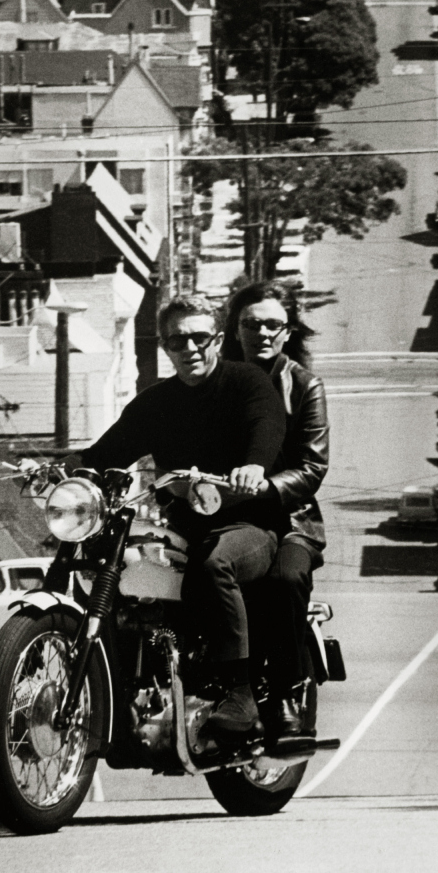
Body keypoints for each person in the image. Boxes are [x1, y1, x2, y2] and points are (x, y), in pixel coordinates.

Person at [63, 295, 287, 735]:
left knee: (214, 561)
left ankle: (239, 694)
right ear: (166, 347)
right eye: (177, 340)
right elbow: (108, 450)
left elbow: (267, 423)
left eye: (200, 337)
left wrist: (254, 465)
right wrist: (64, 472)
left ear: (218, 339)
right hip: (182, 527)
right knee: (126, 568)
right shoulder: (156, 403)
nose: (190, 348)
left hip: (249, 525)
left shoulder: (246, 382)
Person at [222, 280, 330, 736]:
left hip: (291, 521)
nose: (262, 333)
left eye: (272, 325)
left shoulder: (304, 386)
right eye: (251, 324)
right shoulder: (213, 381)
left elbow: (312, 466)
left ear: (288, 331)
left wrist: (262, 486)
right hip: (224, 514)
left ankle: (287, 690)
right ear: (235, 328)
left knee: (285, 579)